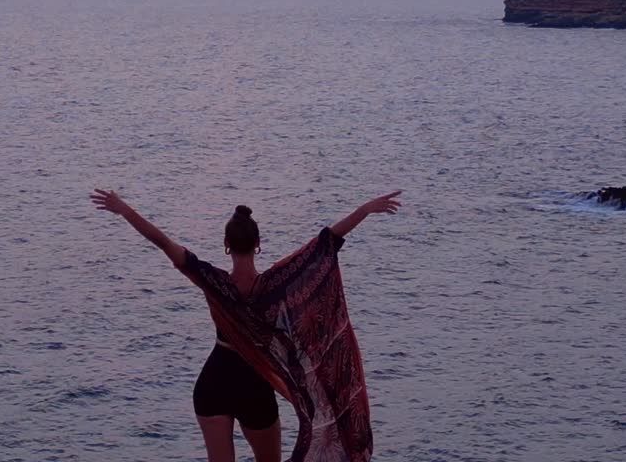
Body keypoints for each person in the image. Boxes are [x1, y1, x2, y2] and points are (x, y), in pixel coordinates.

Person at [90, 188, 402, 462]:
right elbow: (325, 244)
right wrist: (365, 209)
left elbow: (162, 242)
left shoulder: (214, 281)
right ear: (258, 244)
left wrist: (124, 209)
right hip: (253, 388)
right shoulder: (275, 285)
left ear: (226, 244)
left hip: (213, 384)